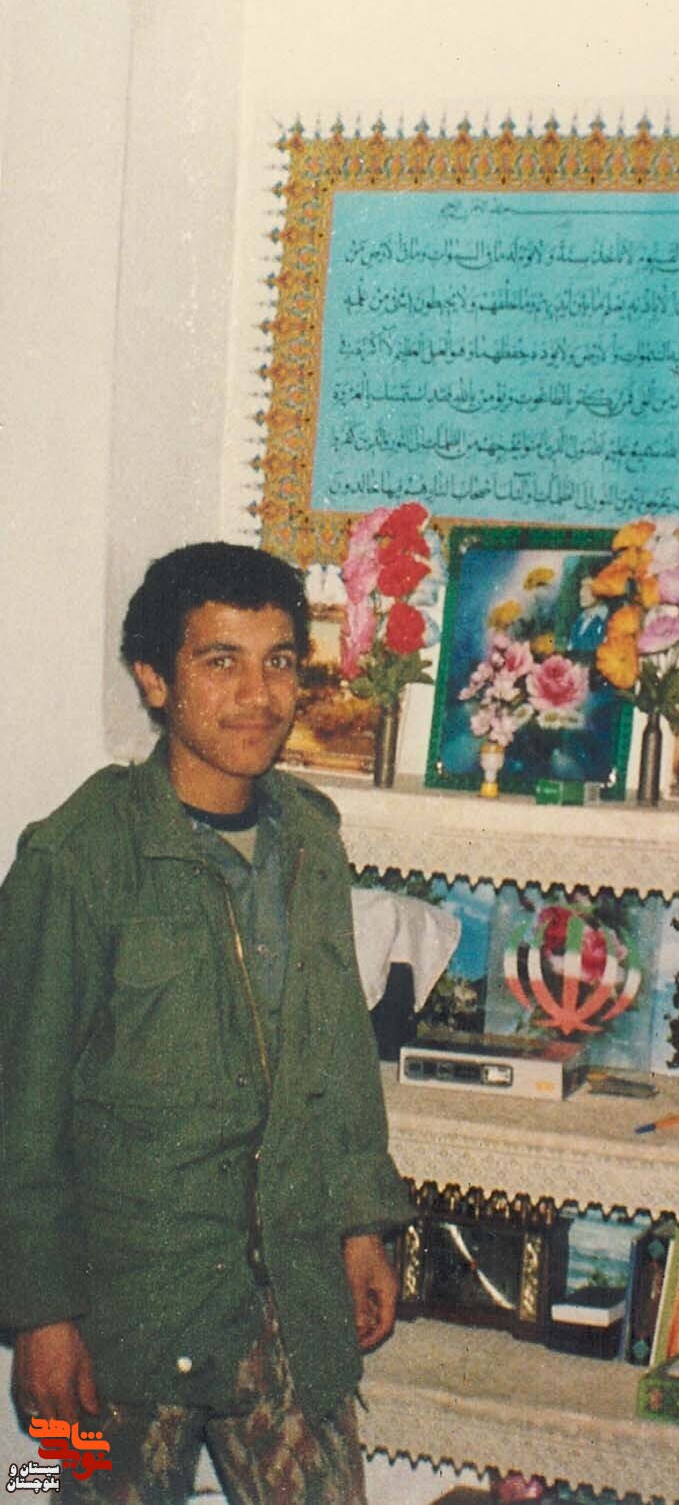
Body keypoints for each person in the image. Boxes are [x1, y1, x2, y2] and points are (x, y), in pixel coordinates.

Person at [0, 542, 412, 1504]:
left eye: (280, 661)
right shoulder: (75, 859)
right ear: (155, 679)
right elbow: (19, 1110)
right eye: (221, 661)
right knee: (70, 1491)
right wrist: (39, 1316)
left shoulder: (311, 840)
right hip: (120, 1311)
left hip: (284, 1291)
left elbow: (337, 1052)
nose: (258, 695)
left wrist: (362, 1227)